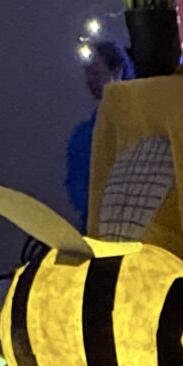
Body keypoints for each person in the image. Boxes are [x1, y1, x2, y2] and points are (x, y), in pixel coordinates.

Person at [65, 39, 131, 226]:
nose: (90, 80)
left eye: (96, 72)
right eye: (87, 72)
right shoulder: (83, 135)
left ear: (117, 72)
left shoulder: (139, 123)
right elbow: (77, 186)